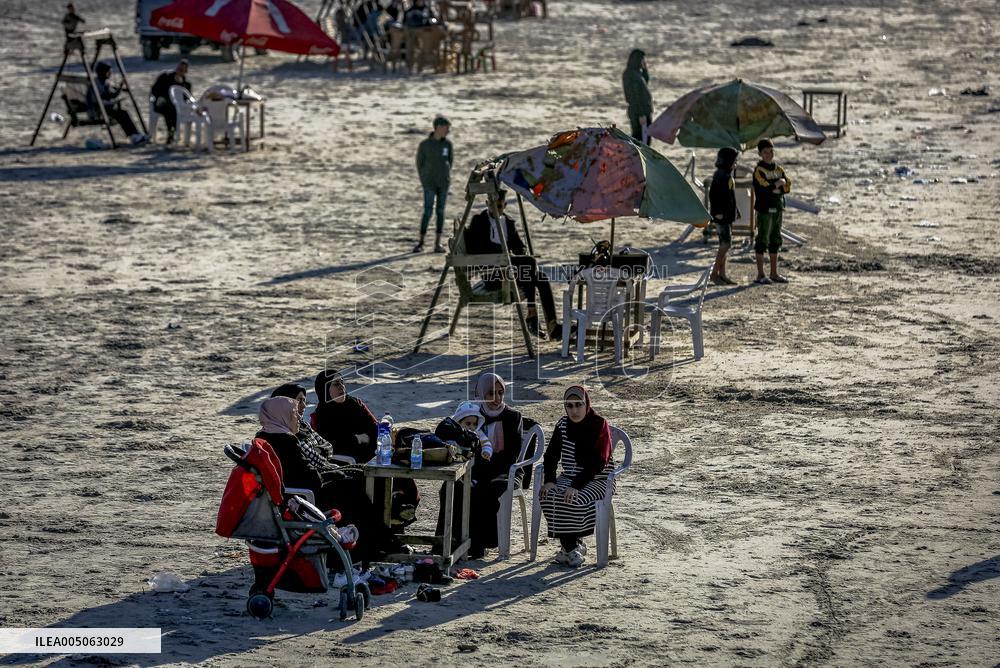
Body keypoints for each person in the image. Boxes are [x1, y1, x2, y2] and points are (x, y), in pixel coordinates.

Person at [254, 396, 406, 565]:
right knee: (354, 488)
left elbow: (308, 470)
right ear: (282, 416)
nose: (298, 418)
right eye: (294, 414)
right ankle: (378, 543)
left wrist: (334, 473)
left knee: (358, 478)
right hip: (302, 499)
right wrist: (334, 474)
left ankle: (381, 539)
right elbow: (309, 478)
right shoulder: (284, 441)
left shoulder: (268, 436)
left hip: (300, 492)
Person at [312, 369, 419, 525]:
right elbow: (329, 443)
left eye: (342, 382)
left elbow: (374, 427)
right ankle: (394, 511)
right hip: (349, 463)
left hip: (374, 453)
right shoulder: (322, 415)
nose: (341, 387)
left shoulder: (355, 404)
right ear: (325, 390)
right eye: (336, 384)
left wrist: (369, 437)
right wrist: (355, 439)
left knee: (401, 466)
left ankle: (403, 507)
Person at [436, 372, 524, 559]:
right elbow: (448, 429)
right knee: (450, 487)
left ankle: (478, 544)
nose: (497, 398)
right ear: (481, 393)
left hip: (504, 470)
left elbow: (511, 456)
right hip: (473, 467)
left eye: (500, 393)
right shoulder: (473, 413)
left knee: (483, 491)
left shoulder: (512, 417)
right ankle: (448, 541)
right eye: (491, 393)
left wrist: (484, 466)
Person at [465, 190, 561, 339]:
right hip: (492, 274)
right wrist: (502, 252)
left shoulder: (508, 223)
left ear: (505, 205)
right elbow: (474, 248)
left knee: (540, 277)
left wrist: (518, 254)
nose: (495, 209)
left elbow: (519, 246)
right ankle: (531, 314)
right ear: (487, 204)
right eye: (492, 205)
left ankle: (552, 326)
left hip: (510, 271)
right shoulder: (479, 221)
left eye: (499, 206)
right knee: (530, 264)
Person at [540, 385, 614, 568]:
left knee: (574, 498)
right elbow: (551, 455)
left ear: (586, 404)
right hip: (569, 476)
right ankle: (572, 546)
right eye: (569, 405)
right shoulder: (563, 425)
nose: (574, 410)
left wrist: (576, 485)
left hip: (598, 478)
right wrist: (549, 480)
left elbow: (598, 462)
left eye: (579, 404)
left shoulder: (599, 424)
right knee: (547, 495)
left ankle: (570, 548)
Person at [751, 138, 791, 284]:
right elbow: (764, 189)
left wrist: (777, 186)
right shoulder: (759, 170)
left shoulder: (779, 169)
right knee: (762, 240)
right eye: (765, 152)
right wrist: (778, 184)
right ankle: (760, 274)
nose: (769, 154)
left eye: (771, 151)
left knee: (775, 239)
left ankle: (774, 273)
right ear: (760, 154)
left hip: (778, 208)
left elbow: (787, 186)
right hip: (764, 209)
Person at [414, 116, 453, 253]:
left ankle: (437, 243)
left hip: (443, 183)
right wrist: (424, 180)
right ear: (438, 127)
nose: (448, 131)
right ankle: (421, 242)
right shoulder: (425, 145)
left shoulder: (447, 144)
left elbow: (450, 161)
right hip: (429, 183)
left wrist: (445, 176)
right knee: (428, 211)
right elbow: (419, 163)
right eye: (446, 128)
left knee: (440, 211)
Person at [86, 62, 146, 145]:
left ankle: (134, 134)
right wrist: (118, 90)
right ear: (103, 72)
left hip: (103, 107)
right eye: (108, 72)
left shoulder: (103, 81)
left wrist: (119, 88)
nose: (110, 74)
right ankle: (133, 136)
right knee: (122, 114)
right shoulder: (97, 83)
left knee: (123, 113)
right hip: (98, 109)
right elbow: (106, 96)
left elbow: (112, 94)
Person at [708, 146, 740, 285]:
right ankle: (714, 274)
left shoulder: (726, 174)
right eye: (734, 161)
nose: (736, 163)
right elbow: (714, 196)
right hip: (721, 216)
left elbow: (730, 197)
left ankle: (722, 274)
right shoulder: (721, 176)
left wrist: (735, 211)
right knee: (726, 244)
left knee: (724, 244)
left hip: (728, 215)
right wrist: (717, 213)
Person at [149, 60, 191, 144]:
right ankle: (171, 132)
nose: (180, 71)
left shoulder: (186, 84)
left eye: (183, 70)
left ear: (186, 71)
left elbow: (187, 97)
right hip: (161, 104)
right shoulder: (165, 77)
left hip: (176, 107)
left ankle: (173, 132)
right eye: (179, 69)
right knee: (169, 109)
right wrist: (161, 98)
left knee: (175, 109)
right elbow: (154, 90)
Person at [622, 48, 653, 145]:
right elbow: (634, 96)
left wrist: (645, 69)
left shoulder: (637, 73)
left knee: (645, 138)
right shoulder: (630, 75)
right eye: (642, 59)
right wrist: (641, 114)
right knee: (640, 139)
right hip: (638, 111)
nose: (644, 61)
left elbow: (645, 81)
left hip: (644, 110)